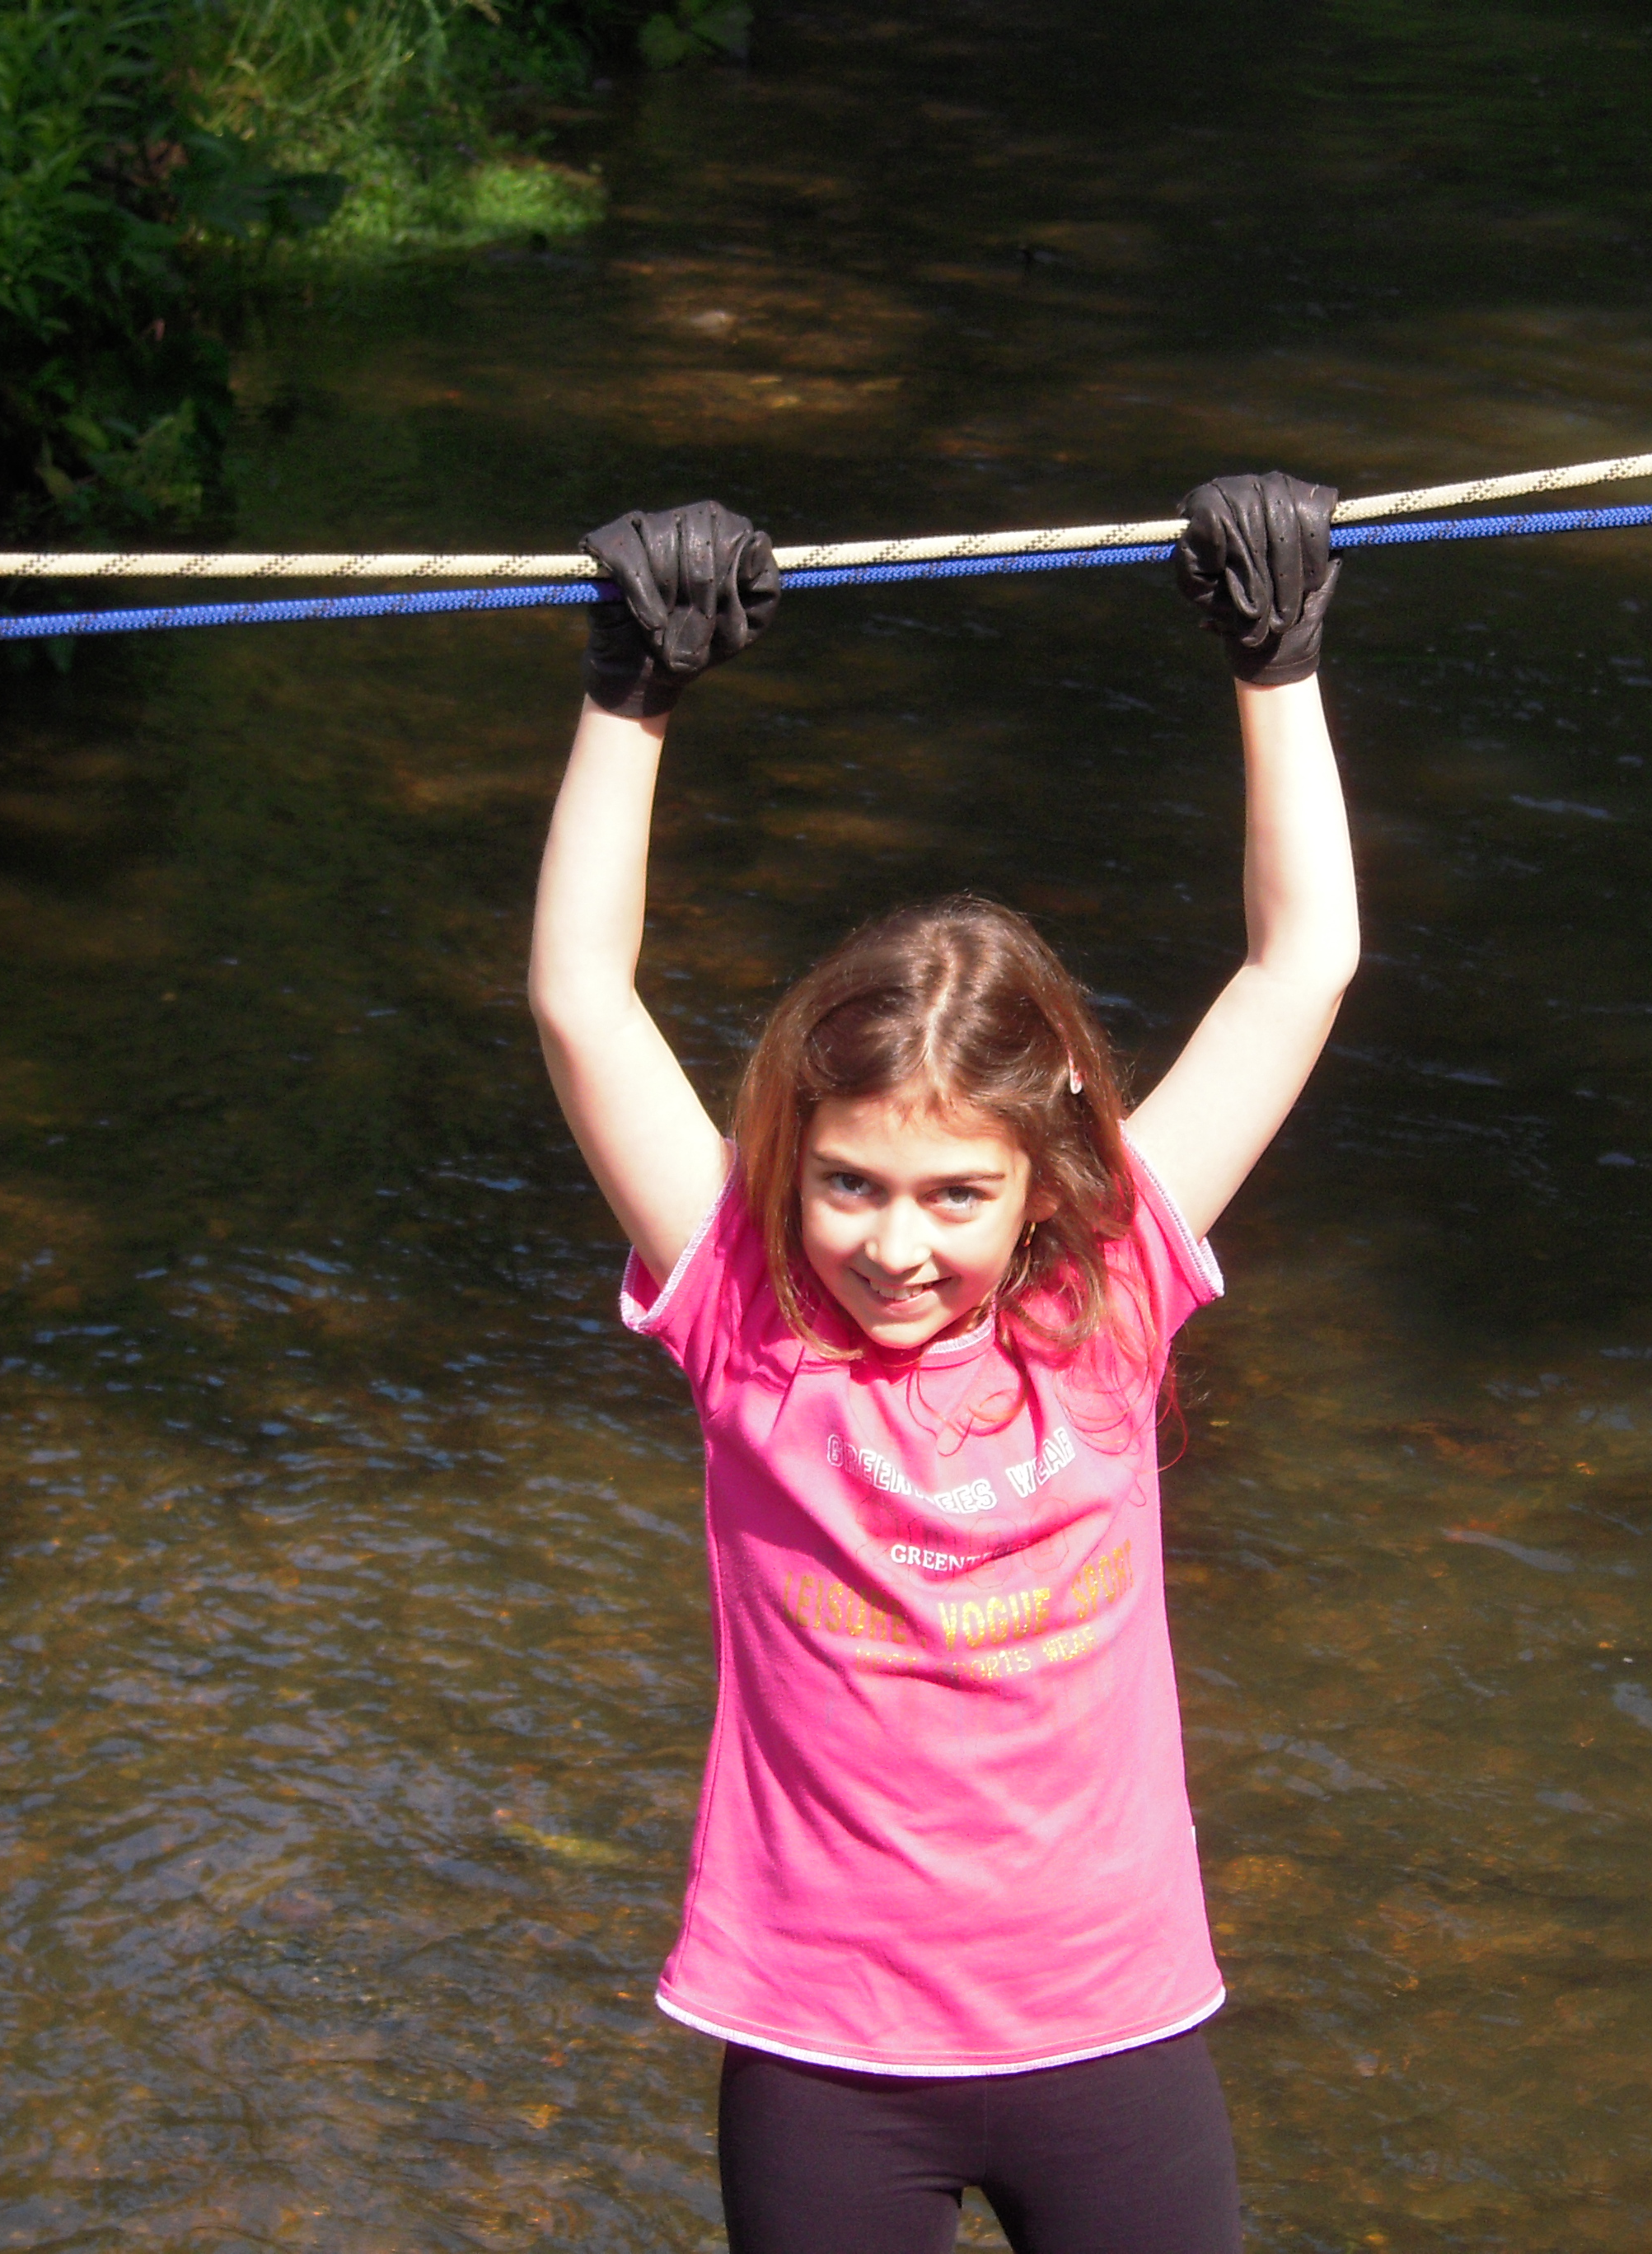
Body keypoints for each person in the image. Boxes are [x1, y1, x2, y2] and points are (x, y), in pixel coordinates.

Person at [526, 475, 1360, 2254]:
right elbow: (584, 1000)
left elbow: (1301, 967)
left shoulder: (1110, 1295)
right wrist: (632, 694)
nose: (895, 1244)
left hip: (1113, 2033)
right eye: (849, 1183)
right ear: (790, 1165)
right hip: (823, 2051)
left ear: (1045, 1175)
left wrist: (1276, 667)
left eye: (956, 1195)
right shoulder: (748, 1319)